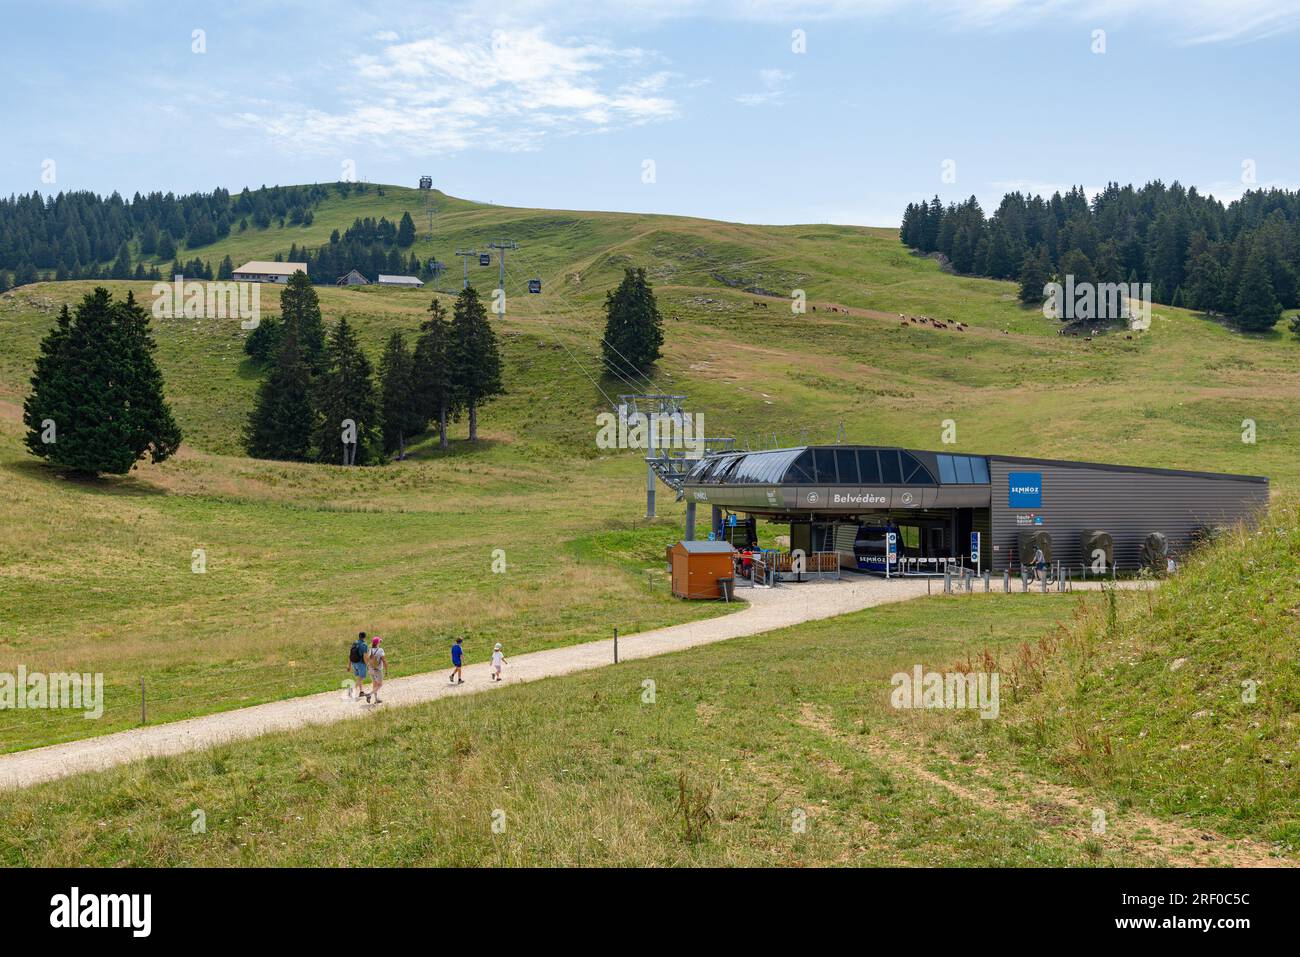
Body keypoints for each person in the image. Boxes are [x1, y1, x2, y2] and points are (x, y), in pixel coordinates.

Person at [348, 631, 371, 703]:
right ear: (365, 637)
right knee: (362, 677)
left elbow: (350, 655)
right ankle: (352, 689)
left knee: (358, 677)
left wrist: (349, 665)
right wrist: (367, 665)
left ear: (359, 636)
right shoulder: (364, 645)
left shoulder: (354, 643)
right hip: (360, 663)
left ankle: (361, 691)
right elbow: (365, 657)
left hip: (354, 663)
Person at [368, 636, 387, 704]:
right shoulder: (380, 650)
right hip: (377, 670)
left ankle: (376, 699)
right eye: (379, 642)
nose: (380, 643)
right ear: (377, 643)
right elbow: (384, 660)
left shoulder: (370, 650)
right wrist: (386, 670)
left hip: (370, 669)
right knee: (380, 684)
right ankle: (369, 694)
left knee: (374, 684)